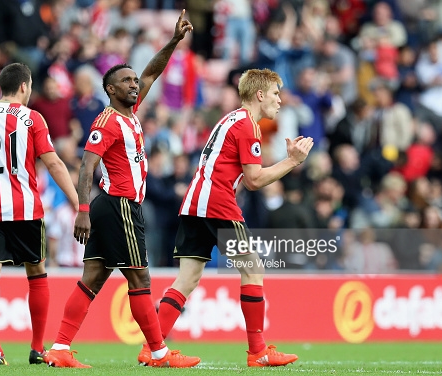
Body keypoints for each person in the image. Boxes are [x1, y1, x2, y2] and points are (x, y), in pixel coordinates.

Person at [43, 10, 200, 369]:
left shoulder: (129, 112)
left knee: (93, 279)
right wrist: (82, 209)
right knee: (140, 276)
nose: (134, 84)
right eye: (126, 81)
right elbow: (86, 165)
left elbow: (151, 72)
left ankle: (60, 348)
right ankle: (159, 353)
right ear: (110, 90)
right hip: (119, 206)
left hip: (113, 206)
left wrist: (174, 41)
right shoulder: (108, 121)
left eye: (133, 81)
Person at [138, 68, 314, 367]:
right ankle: (258, 352)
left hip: (194, 203)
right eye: (275, 94)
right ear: (260, 95)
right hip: (218, 203)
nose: (279, 101)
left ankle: (152, 351)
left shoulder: (230, 118)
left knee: (187, 278)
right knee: (253, 269)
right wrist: (292, 161)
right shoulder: (248, 125)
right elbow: (254, 180)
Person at [0, 62, 79, 365]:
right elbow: (54, 164)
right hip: (26, 209)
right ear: (25, 86)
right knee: (36, 274)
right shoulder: (31, 118)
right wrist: (78, 201)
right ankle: (37, 348)